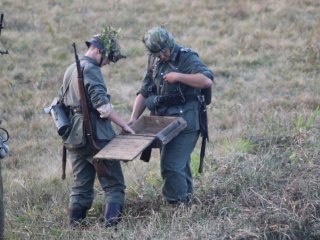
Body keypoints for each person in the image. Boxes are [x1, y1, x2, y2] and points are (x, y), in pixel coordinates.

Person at [58, 26, 135, 228]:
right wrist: (124, 125)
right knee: (114, 185)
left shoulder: (70, 69)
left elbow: (59, 103)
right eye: (108, 58)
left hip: (73, 137)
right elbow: (103, 107)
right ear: (99, 51)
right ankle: (111, 229)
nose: (107, 63)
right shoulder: (91, 69)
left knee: (81, 185)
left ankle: (75, 228)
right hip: (95, 136)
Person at [130, 26, 214, 205]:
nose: (162, 56)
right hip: (164, 122)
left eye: (164, 52)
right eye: (157, 54)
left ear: (171, 45)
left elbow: (206, 80)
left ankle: (177, 206)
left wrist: (179, 76)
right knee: (179, 164)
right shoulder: (154, 60)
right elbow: (145, 89)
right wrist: (134, 118)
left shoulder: (187, 57)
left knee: (170, 166)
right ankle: (186, 202)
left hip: (186, 122)